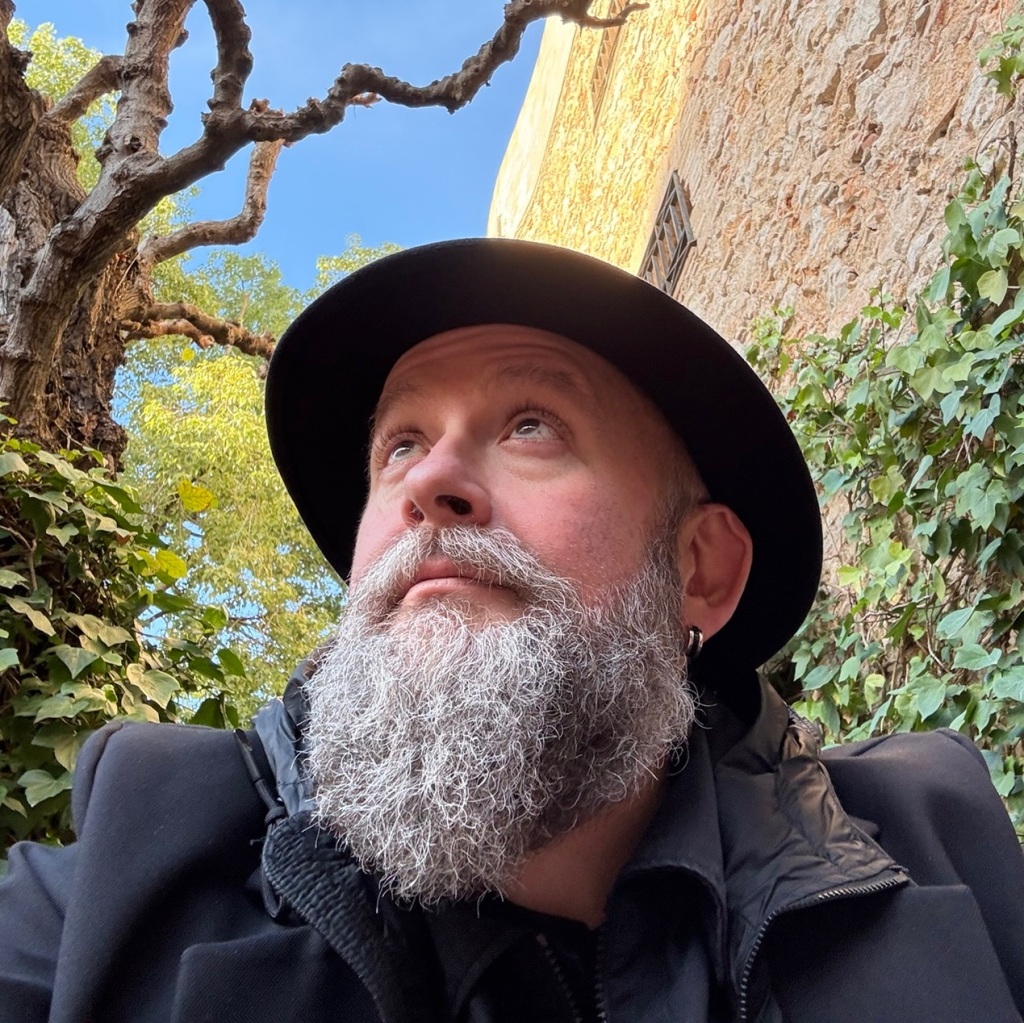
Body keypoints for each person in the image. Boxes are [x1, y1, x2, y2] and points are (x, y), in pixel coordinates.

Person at [2, 238, 1023, 1023]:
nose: (429, 480)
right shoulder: (123, 869)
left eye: (531, 425)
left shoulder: (940, 847)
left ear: (700, 569)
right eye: (400, 444)